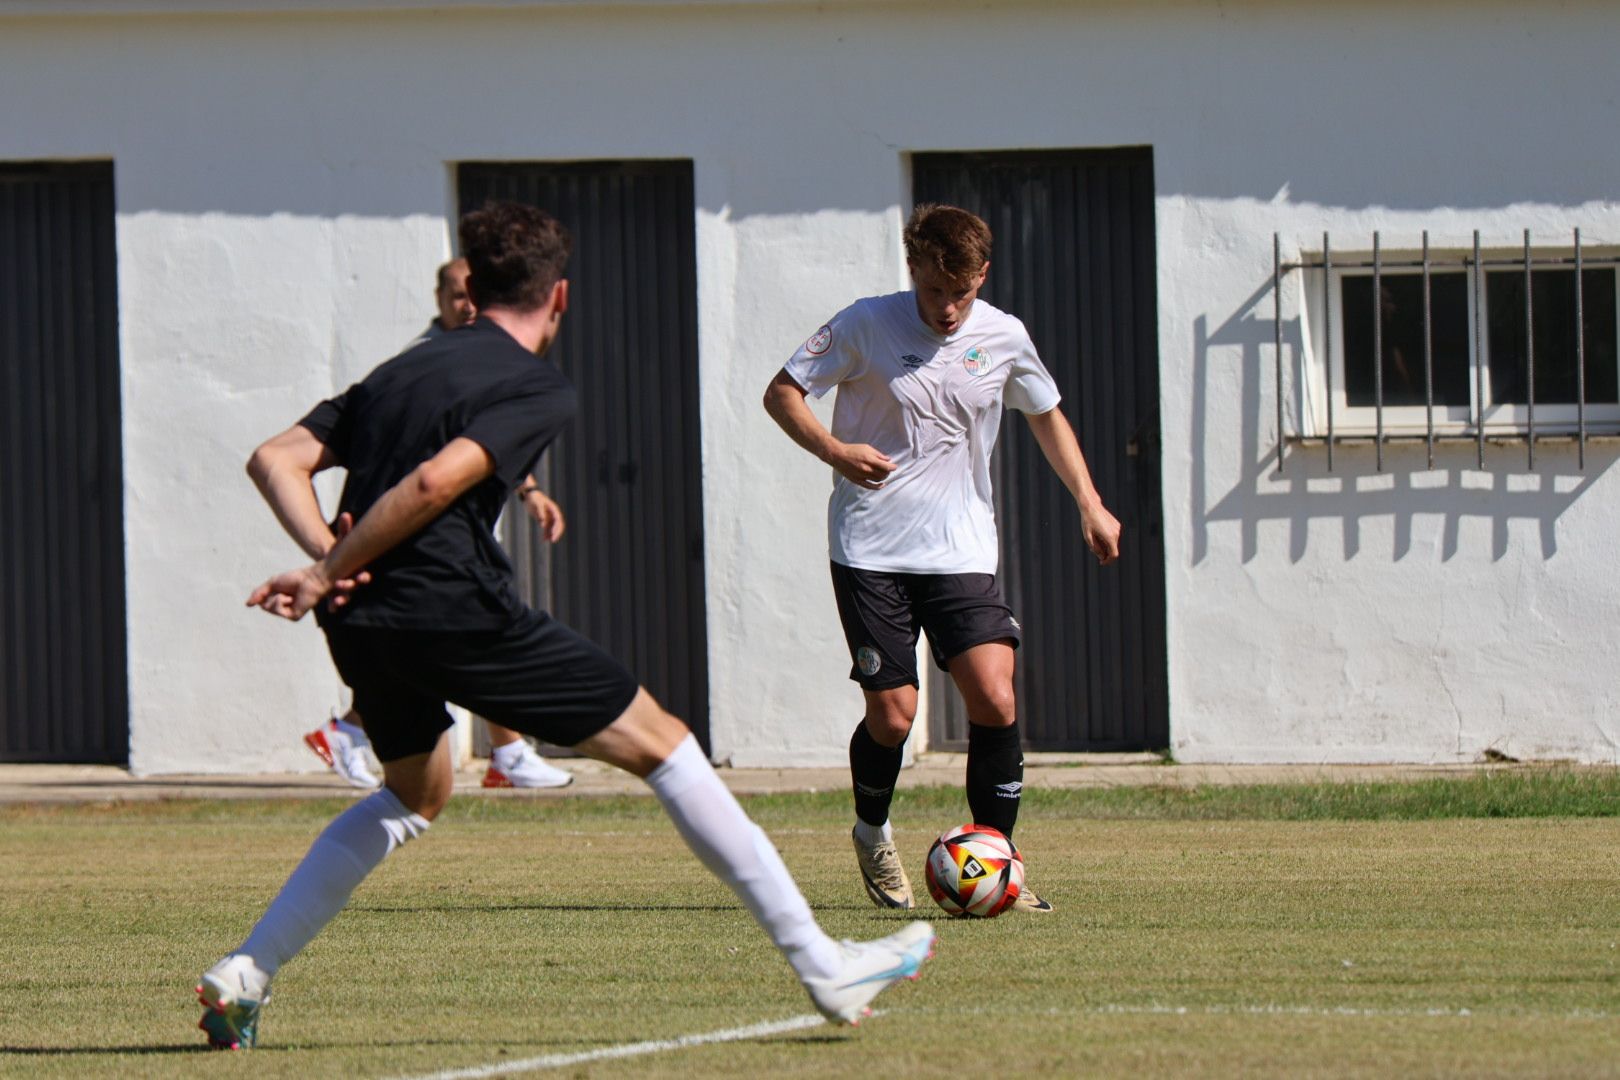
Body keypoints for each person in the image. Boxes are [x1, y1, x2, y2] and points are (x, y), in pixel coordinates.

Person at [198, 201, 934, 1050]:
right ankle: (822, 965)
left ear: (469, 286)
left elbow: (274, 457)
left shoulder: (403, 368)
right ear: (560, 298)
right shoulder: (535, 383)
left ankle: (246, 972)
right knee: (666, 742)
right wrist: (331, 563)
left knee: (415, 789)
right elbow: (439, 483)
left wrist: (331, 560)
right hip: (450, 607)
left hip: (360, 621)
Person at [762, 203, 1122, 915]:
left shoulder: (1005, 336)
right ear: (913, 271)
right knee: (894, 719)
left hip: (959, 550)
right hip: (871, 550)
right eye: (934, 292)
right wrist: (834, 451)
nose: (949, 308)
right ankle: (871, 832)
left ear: (982, 276)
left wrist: (1089, 500)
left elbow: (1045, 412)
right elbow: (782, 394)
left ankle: (998, 862)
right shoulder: (866, 322)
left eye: (963, 292)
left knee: (995, 694)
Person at [301, 257, 573, 791]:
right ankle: (505, 752)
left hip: (460, 520)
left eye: (470, 298)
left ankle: (356, 734)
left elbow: (482, 439)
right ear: (441, 299)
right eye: (455, 297)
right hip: (426, 529)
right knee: (477, 632)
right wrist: (330, 558)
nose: (466, 307)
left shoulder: (484, 358)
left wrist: (532, 491)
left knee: (457, 641)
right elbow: (431, 463)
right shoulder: (423, 362)